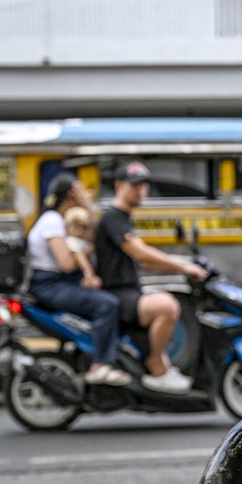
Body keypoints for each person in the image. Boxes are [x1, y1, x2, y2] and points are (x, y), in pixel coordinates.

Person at [94, 161, 207, 394]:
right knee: (167, 306)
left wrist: (177, 267)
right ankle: (156, 366)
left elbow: (144, 260)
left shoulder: (123, 218)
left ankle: (160, 365)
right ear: (118, 186)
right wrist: (184, 267)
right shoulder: (113, 218)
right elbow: (140, 252)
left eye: (143, 185)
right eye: (134, 185)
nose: (140, 190)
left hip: (128, 292)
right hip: (118, 294)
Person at [26, 174, 131, 386]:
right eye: (82, 190)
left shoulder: (63, 220)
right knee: (106, 304)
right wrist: (83, 254)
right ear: (72, 193)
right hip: (50, 285)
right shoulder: (52, 221)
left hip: (59, 282)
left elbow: (92, 239)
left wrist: (88, 212)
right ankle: (101, 364)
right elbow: (66, 263)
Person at [63, 206, 102, 290]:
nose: (80, 231)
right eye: (76, 227)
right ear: (67, 227)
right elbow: (80, 257)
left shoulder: (81, 241)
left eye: (83, 228)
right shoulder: (72, 241)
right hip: (77, 274)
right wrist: (89, 273)